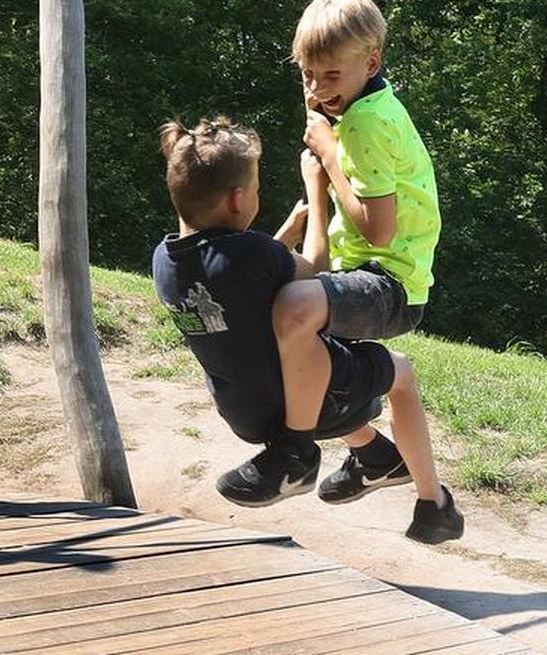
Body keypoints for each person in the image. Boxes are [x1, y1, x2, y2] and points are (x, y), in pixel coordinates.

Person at [152, 116, 462, 542]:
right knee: (399, 373)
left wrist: (281, 238)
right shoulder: (252, 254)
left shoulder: (165, 263)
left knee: (307, 351)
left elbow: (238, 283)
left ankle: (375, 457)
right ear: (238, 200)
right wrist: (317, 195)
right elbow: (315, 268)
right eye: (257, 190)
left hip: (247, 413)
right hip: (302, 406)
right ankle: (435, 507)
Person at [262, 0, 442, 502]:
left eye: (331, 76)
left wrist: (327, 153)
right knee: (300, 345)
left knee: (289, 312)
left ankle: (296, 454)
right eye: (307, 75)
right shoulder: (372, 102)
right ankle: (375, 455)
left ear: (372, 61)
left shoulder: (362, 124)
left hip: (388, 285)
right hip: (380, 275)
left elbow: (378, 230)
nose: (318, 90)